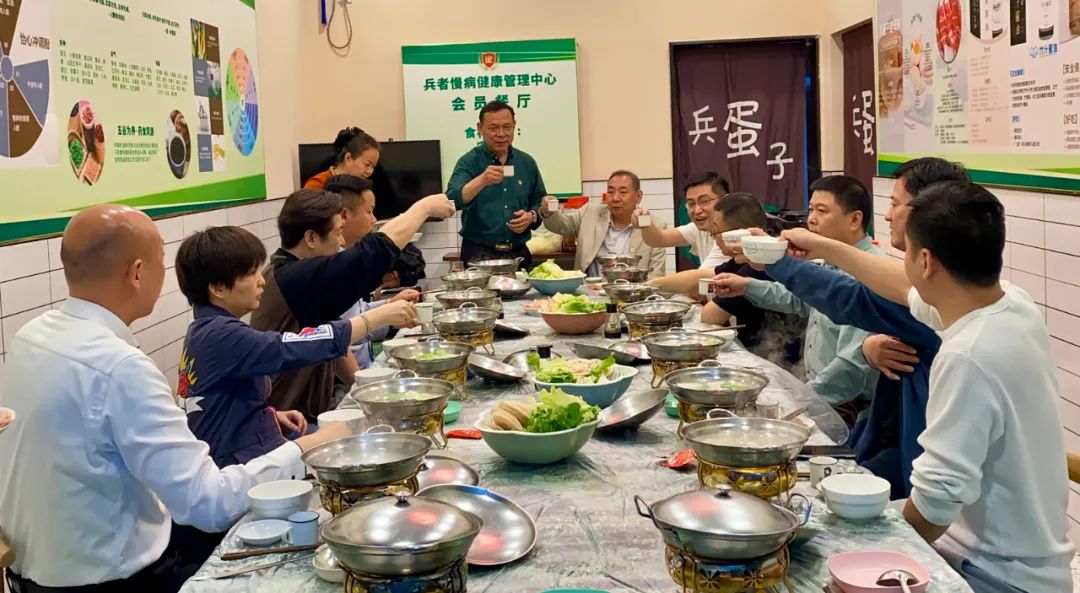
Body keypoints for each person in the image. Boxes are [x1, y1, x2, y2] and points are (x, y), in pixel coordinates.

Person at [0, 205, 350, 592]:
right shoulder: (120, 367)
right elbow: (209, 503)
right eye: (161, 260)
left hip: (30, 576)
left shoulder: (32, 337)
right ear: (137, 272)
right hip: (118, 581)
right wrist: (306, 447)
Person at [780, 182, 1073, 593]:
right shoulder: (1011, 303)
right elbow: (900, 286)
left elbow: (936, 502)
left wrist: (875, 557)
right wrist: (821, 246)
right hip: (1025, 561)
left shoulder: (968, 354)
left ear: (925, 260)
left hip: (994, 573)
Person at [730, 157, 971, 497]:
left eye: (895, 204)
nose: (887, 216)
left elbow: (850, 298)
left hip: (938, 490)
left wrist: (779, 261)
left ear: (931, 212)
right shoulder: (937, 293)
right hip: (899, 447)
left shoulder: (943, 303)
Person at [174, 226, 414, 467]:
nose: (261, 281)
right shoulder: (221, 335)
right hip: (238, 468)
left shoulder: (201, 330)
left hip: (250, 444)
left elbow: (215, 406)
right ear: (217, 288)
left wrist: (268, 416)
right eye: (250, 274)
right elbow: (298, 346)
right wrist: (375, 318)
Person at [250, 188, 455, 421]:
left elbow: (331, 342)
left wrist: (364, 391)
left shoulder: (294, 273)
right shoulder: (294, 278)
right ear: (311, 238)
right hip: (289, 419)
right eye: (338, 233)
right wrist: (424, 208)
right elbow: (370, 255)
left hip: (313, 409)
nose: (342, 242)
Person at [713, 175, 882, 425]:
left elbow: (852, 364)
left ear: (855, 219)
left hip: (848, 408)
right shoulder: (832, 260)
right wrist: (747, 286)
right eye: (811, 209)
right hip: (823, 396)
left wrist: (802, 400)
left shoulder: (871, 272)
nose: (811, 219)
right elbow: (801, 301)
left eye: (822, 211)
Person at [692, 192, 805, 369]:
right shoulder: (745, 259)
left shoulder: (762, 261)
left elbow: (710, 315)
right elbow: (702, 276)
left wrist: (745, 286)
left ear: (738, 233)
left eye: (716, 229)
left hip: (777, 361)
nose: (713, 236)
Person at [324, 174, 421, 369]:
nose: (374, 219)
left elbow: (357, 313)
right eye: (369, 211)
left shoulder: (346, 255)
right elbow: (348, 331)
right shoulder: (332, 266)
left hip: (366, 367)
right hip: (351, 378)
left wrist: (388, 305)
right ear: (344, 215)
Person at [446, 100, 551, 268]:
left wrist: (531, 216)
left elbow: (539, 201)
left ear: (514, 126)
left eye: (507, 127)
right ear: (480, 128)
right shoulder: (469, 162)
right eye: (493, 128)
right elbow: (452, 199)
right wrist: (481, 180)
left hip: (519, 252)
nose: (501, 134)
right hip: (479, 254)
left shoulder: (526, 162)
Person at [539, 170, 667, 278]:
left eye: (623, 192)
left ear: (638, 196)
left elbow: (657, 276)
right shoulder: (590, 212)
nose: (615, 198)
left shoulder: (654, 226)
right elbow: (560, 225)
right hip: (589, 293)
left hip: (632, 294)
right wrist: (548, 211)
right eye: (610, 192)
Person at [636, 172, 731, 278]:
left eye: (704, 201)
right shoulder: (698, 228)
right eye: (691, 204)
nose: (697, 210)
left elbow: (700, 280)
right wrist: (644, 222)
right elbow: (658, 239)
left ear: (726, 201)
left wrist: (650, 284)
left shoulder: (732, 233)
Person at [304, 127, 379, 189]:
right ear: (348, 158)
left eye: (373, 167)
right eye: (367, 164)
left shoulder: (364, 187)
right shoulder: (317, 184)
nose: (370, 171)